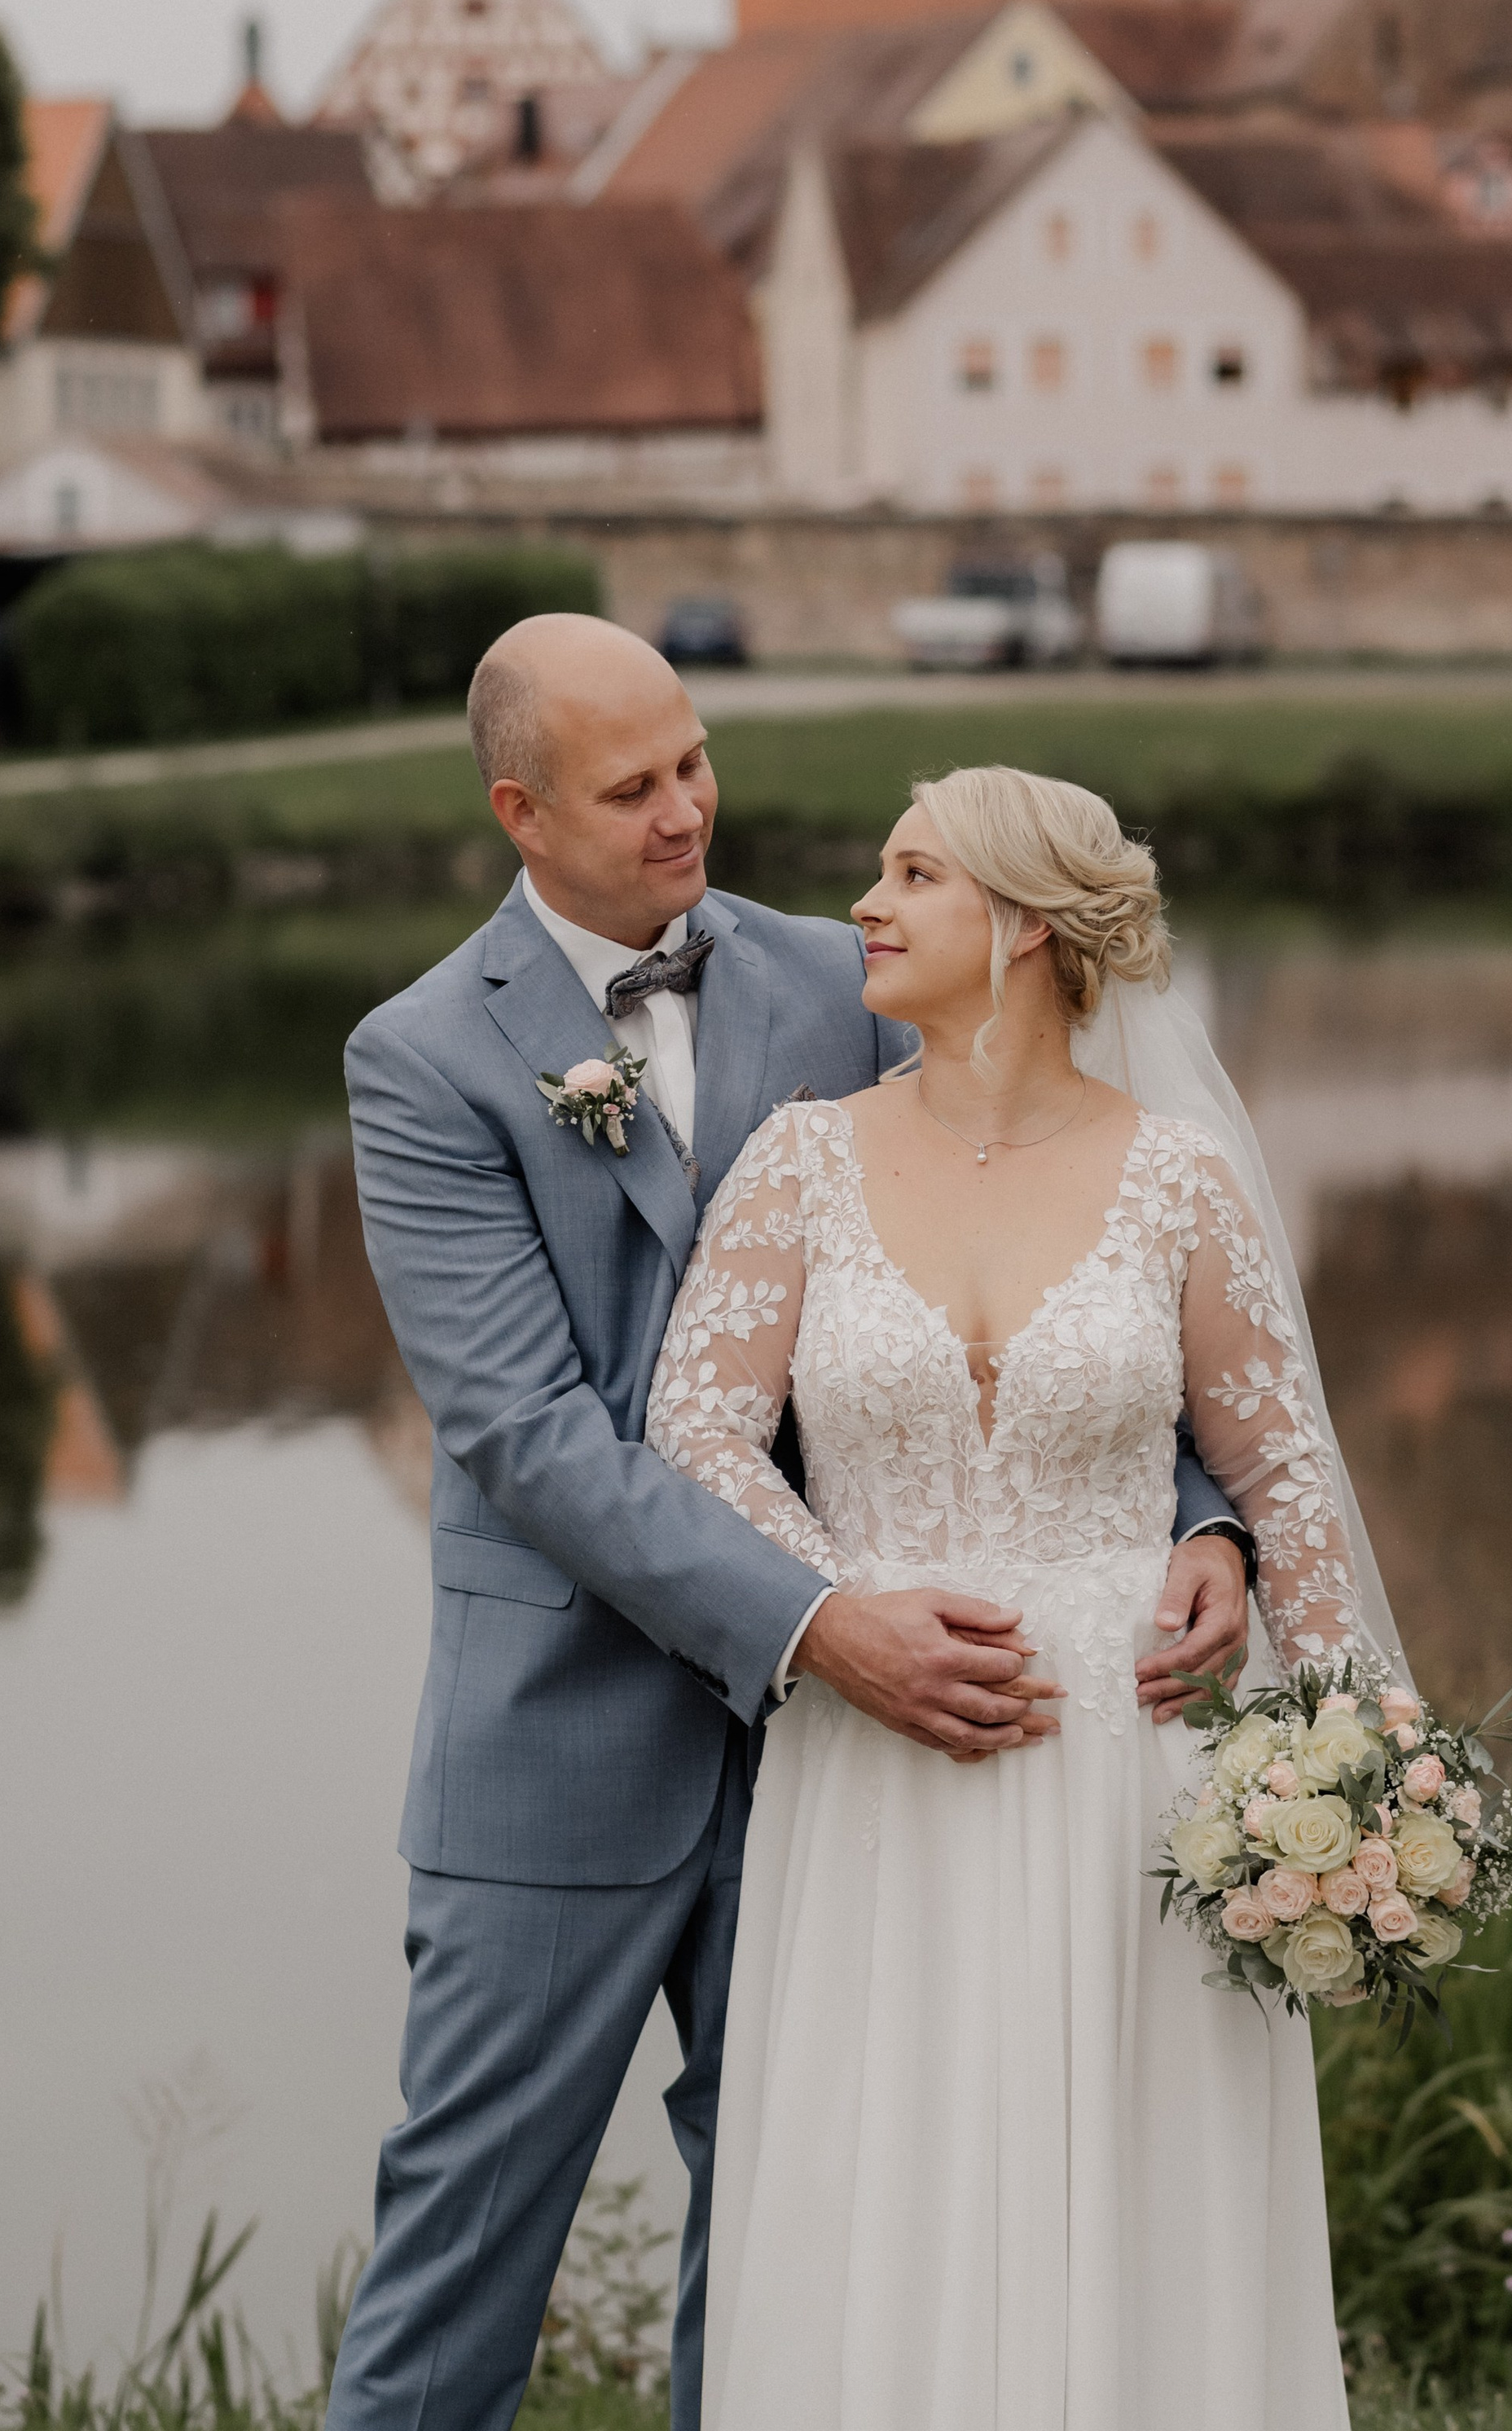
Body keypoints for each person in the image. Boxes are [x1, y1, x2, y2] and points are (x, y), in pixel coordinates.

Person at [325, 622, 1254, 2431]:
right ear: (520, 812)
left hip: (851, 1782)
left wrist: (1207, 1513)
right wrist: (819, 1622)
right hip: (570, 1744)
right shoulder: (424, 1058)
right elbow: (531, 1437)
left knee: (798, 2256)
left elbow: (1100, 1241)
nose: (687, 812)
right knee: (460, 2260)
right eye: (629, 788)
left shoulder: (855, 972)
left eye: (692, 760)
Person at [645, 763, 1400, 2431]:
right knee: (886, 2168)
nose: (865, 900)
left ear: (1024, 931)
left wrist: (1353, 1763)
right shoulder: (800, 1160)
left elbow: (1280, 1475)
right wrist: (845, 1612)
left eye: (911, 873)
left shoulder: (1180, 1178)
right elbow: (694, 1432)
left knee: (1136, 2175)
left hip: (1125, 1775)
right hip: (879, 1757)